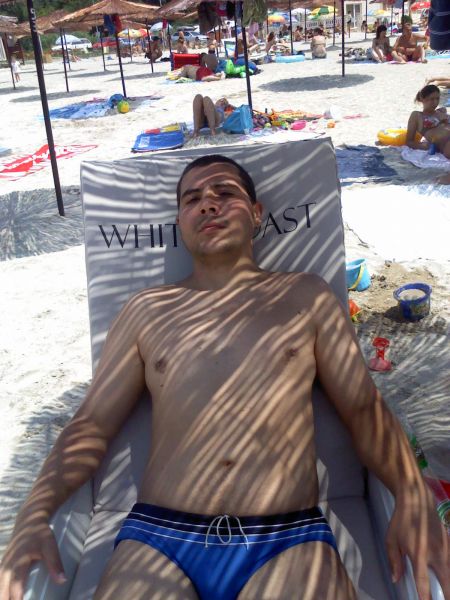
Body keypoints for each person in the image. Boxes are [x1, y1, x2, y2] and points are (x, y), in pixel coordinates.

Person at [1, 154, 448, 600]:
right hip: (159, 537)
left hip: (286, 537)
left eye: (225, 193)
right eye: (192, 198)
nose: (208, 204)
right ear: (180, 221)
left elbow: (363, 408)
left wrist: (411, 492)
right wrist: (34, 513)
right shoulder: (147, 310)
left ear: (256, 213)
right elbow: (92, 424)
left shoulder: (305, 296)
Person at [407, 84, 450, 183]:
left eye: (437, 99)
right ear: (422, 99)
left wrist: (445, 119)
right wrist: (424, 146)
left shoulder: (441, 111)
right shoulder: (417, 116)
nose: (435, 102)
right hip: (446, 144)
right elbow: (409, 141)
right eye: (431, 99)